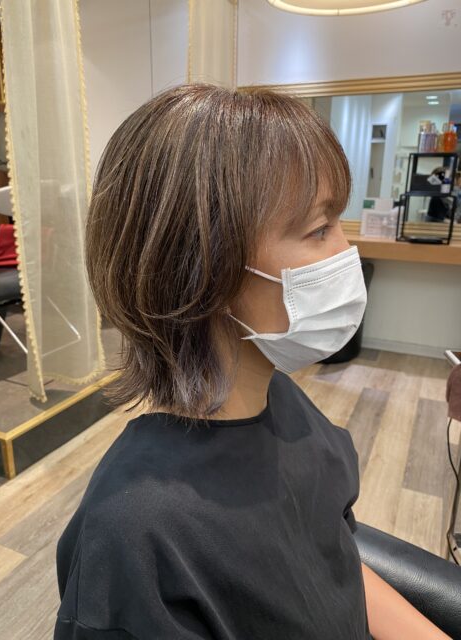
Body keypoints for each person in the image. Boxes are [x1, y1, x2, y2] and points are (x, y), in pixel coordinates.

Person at [54, 84, 451, 640]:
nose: (346, 254)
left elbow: (332, 561)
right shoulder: (138, 536)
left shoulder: (284, 403)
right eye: (319, 229)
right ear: (203, 269)